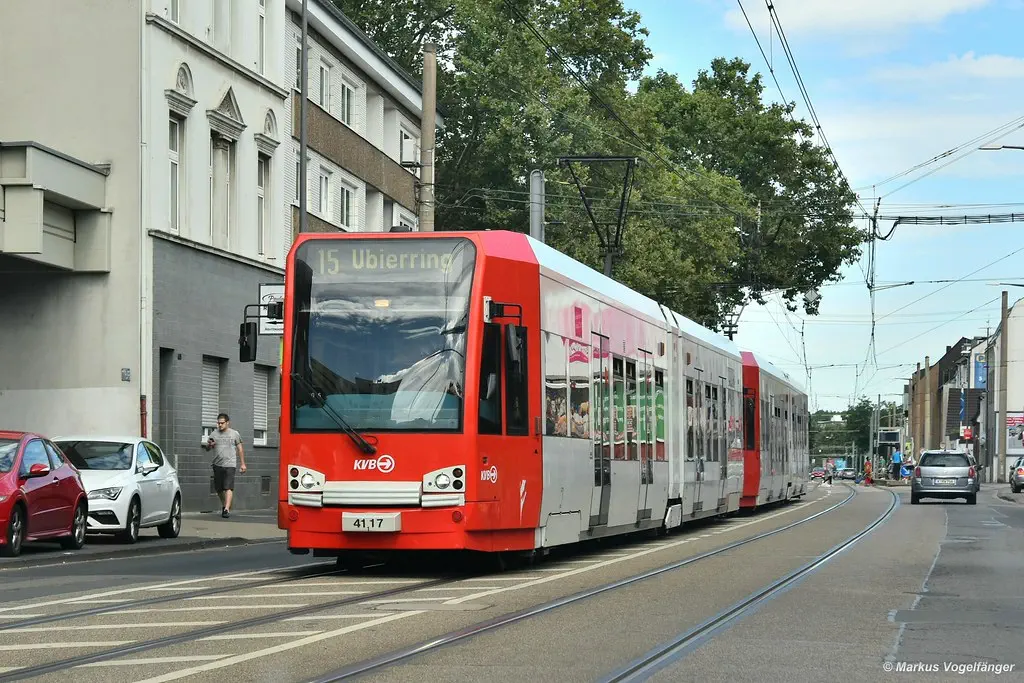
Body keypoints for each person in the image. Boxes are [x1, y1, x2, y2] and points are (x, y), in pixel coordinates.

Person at [202, 412, 246, 517]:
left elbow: (240, 449)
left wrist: (243, 464)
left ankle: (226, 509)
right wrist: (210, 445)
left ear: (227, 423)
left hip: (230, 464)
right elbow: (207, 448)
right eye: (218, 423)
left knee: (228, 487)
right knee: (219, 489)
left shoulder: (234, 434)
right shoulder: (214, 434)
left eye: (222, 423)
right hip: (217, 464)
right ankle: (225, 505)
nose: (220, 425)